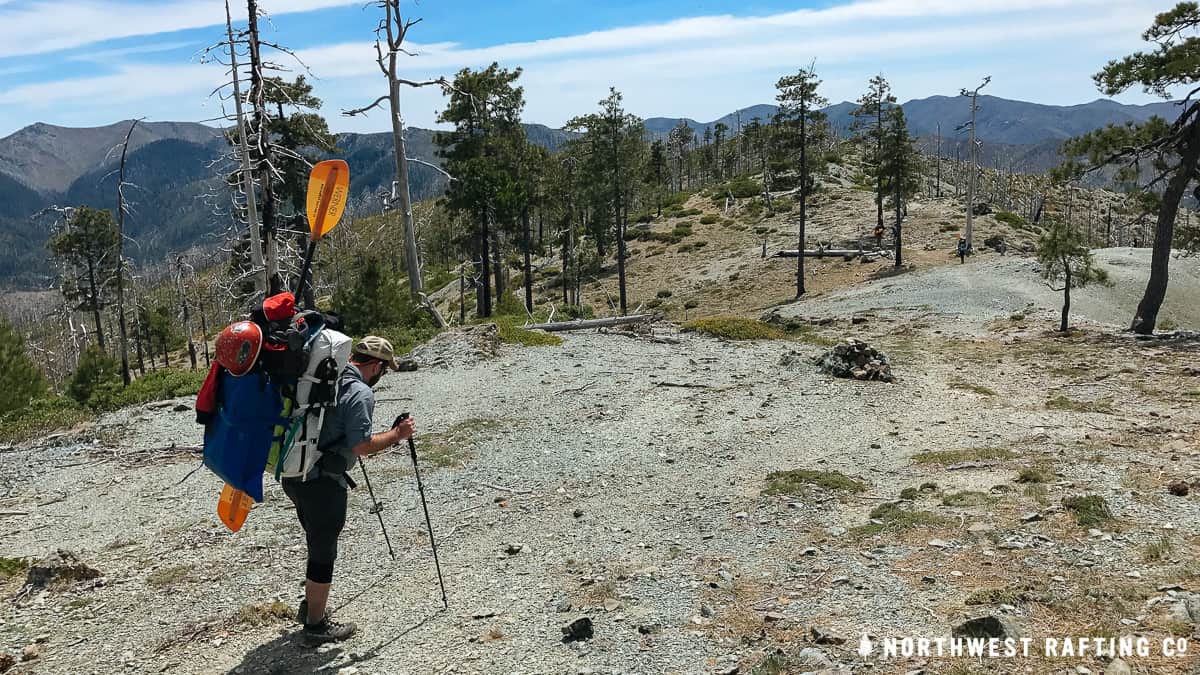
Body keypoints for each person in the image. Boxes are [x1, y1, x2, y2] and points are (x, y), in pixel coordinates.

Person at [282, 335, 415, 644]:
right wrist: (397, 434)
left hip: (294, 474)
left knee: (316, 539)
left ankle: (311, 605)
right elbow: (362, 446)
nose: (383, 375)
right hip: (322, 482)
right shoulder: (359, 392)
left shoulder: (323, 376)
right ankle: (315, 626)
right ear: (377, 366)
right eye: (385, 369)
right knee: (323, 551)